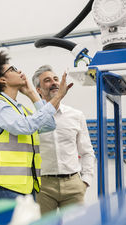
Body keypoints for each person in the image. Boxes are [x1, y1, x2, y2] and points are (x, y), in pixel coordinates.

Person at [0, 48, 73, 201]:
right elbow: (25, 127)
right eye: (13, 69)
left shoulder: (20, 110)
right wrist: (58, 97)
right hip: (6, 187)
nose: (19, 71)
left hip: (28, 185)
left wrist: (32, 94)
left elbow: (49, 125)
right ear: (2, 79)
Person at [31, 65, 95, 214]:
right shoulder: (32, 119)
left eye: (55, 79)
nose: (54, 83)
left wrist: (85, 181)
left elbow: (87, 151)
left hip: (73, 184)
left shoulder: (76, 115)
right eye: (47, 80)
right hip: (43, 186)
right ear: (38, 90)